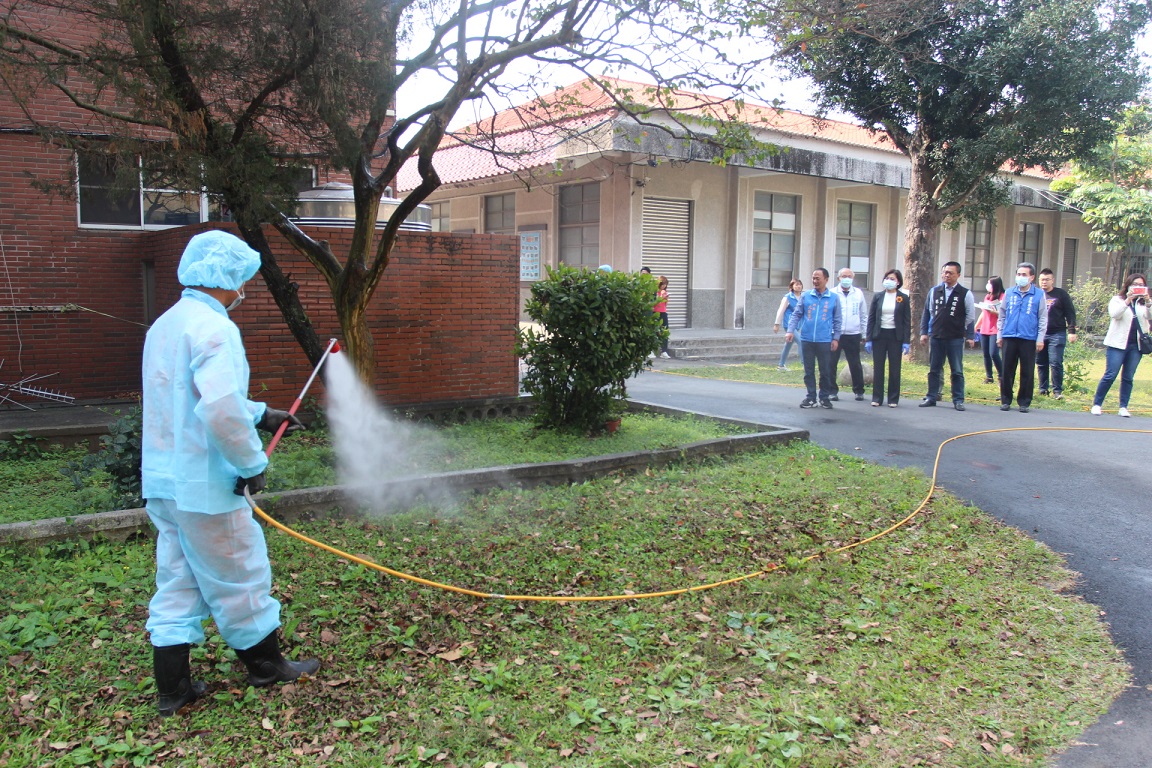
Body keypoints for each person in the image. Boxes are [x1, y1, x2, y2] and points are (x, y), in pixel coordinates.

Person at [142, 230, 317, 718]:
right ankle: (266, 667)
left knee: (178, 578)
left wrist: (260, 412)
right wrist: (251, 462)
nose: (244, 288)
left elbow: (188, 395)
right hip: (206, 484)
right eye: (243, 279)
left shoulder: (167, 323)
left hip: (164, 482)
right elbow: (218, 408)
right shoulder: (216, 329)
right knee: (239, 571)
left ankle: (173, 690)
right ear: (228, 276)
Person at [1090, 273, 1150, 417]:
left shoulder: (1144, 303)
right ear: (1128, 285)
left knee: (1128, 377)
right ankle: (1097, 404)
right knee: (1110, 374)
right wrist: (1128, 300)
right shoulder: (1118, 300)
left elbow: (1150, 317)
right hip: (1117, 344)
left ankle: (1123, 406)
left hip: (1136, 345)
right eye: (1135, 284)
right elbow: (1115, 314)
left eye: (1141, 285)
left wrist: (1148, 302)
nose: (1138, 287)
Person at [919, 261, 976, 411]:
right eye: (944, 272)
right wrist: (924, 332)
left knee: (956, 369)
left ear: (958, 275)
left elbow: (970, 316)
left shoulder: (965, 293)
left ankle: (958, 399)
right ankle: (932, 396)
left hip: (955, 337)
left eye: (950, 273)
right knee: (934, 369)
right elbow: (928, 312)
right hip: (937, 336)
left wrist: (964, 330)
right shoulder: (935, 291)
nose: (946, 275)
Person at [786, 267, 842, 409]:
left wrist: (836, 338)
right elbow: (797, 314)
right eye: (813, 278)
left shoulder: (834, 298)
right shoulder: (806, 296)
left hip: (824, 340)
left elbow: (837, 319)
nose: (815, 281)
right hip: (807, 339)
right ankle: (811, 397)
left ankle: (824, 397)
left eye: (818, 278)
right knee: (808, 370)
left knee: (825, 371)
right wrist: (790, 330)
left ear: (826, 279)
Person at [997, 262, 1049, 413]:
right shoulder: (1009, 292)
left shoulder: (1039, 295)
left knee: (1027, 371)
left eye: (1024, 275)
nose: (1020, 277)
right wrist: (1000, 335)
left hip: (1028, 338)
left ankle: (1024, 401)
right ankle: (1006, 400)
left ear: (1032, 277)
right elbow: (1002, 315)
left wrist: (1040, 338)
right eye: (1018, 274)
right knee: (1007, 369)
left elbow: (1043, 318)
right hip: (1009, 336)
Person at [865, 269, 911, 407]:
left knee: (894, 369)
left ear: (898, 282)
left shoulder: (903, 297)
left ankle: (893, 399)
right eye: (887, 278)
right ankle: (877, 398)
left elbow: (906, 321)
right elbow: (871, 318)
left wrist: (906, 341)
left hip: (895, 336)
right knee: (878, 368)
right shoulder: (878, 296)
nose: (889, 281)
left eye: (892, 279)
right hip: (879, 335)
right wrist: (869, 339)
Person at [1036, 268, 1078, 399]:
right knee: (1041, 362)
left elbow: (1070, 313)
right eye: (1042, 279)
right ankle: (1043, 389)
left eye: (1047, 279)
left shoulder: (1060, 294)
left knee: (1055, 362)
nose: (1044, 282)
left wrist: (1072, 331)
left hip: (1057, 333)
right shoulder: (1036, 294)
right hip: (1039, 334)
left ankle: (1057, 391)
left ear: (1052, 280)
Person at [829, 268, 869, 401]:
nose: (847, 279)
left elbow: (863, 314)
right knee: (831, 363)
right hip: (836, 334)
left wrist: (864, 334)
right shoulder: (833, 293)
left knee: (855, 363)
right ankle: (832, 390)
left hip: (853, 333)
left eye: (849, 276)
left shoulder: (858, 293)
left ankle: (859, 390)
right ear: (839, 278)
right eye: (844, 276)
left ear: (853, 278)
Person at [974, 276, 1004, 385]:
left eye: (989, 283)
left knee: (993, 353)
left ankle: (1002, 375)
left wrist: (993, 312)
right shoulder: (988, 296)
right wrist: (976, 326)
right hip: (984, 329)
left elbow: (1003, 313)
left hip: (995, 329)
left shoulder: (1002, 296)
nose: (988, 285)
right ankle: (989, 376)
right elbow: (983, 313)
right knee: (986, 353)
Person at [772, 278, 805, 370]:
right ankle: (805, 364)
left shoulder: (803, 297)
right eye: (796, 285)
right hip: (789, 324)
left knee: (788, 345)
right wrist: (777, 324)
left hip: (798, 324)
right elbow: (781, 310)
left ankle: (781, 365)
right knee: (801, 342)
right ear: (792, 287)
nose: (798, 286)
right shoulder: (788, 297)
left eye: (800, 284)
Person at [654, 275, 671, 359]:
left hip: (663, 313)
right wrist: (660, 297)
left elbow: (665, 305)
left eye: (665, 284)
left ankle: (664, 351)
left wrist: (666, 298)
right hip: (655, 313)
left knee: (664, 331)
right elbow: (654, 303)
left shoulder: (665, 292)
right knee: (654, 331)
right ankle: (651, 351)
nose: (664, 286)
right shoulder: (655, 292)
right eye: (663, 284)